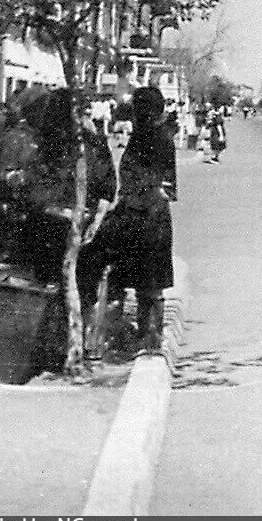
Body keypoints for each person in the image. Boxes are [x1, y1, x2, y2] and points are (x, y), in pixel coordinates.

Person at [81, 86, 176, 353]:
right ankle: (138, 335)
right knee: (143, 282)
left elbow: (158, 187)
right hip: (149, 219)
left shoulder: (155, 140)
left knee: (141, 282)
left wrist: (126, 205)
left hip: (144, 219)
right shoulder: (149, 136)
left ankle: (145, 337)